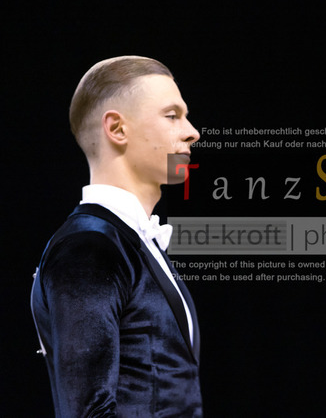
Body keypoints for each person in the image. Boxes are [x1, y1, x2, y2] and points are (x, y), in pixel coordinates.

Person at [30, 56, 203, 416]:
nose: (192, 132)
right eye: (172, 115)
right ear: (117, 129)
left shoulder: (127, 240)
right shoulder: (88, 247)